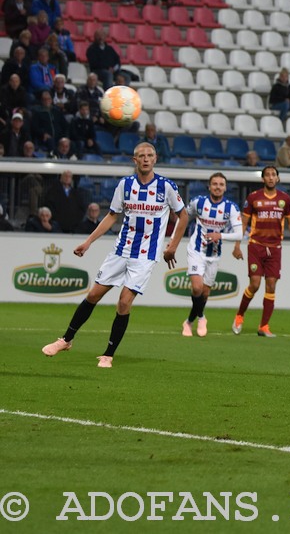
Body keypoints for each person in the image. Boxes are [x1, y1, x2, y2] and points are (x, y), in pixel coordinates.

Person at [41, 142, 188, 368]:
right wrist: (88, 241)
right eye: (141, 155)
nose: (146, 159)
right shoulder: (125, 185)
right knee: (93, 296)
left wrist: (172, 246)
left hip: (145, 255)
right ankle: (66, 340)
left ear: (156, 159)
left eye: (150, 155)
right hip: (121, 250)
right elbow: (111, 216)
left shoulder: (166, 187)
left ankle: (108, 354)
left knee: (124, 302)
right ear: (134, 160)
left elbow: (183, 216)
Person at [233, 166, 290, 337]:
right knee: (255, 284)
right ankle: (239, 315)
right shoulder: (253, 198)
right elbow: (243, 222)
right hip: (256, 245)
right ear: (262, 179)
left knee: (271, 286)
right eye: (267, 175)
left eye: (274, 175)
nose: (271, 178)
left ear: (277, 179)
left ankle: (263, 326)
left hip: (275, 248)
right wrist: (237, 245)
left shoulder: (285, 199)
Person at [182, 173, 243, 338]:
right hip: (196, 250)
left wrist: (220, 236)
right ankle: (201, 317)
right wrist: (174, 239)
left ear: (225, 187)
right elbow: (183, 218)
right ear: (209, 186)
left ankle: (189, 321)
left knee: (205, 293)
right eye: (214, 184)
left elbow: (239, 234)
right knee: (197, 287)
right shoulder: (198, 202)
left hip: (214, 254)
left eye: (221, 184)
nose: (217, 187)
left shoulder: (231, 208)